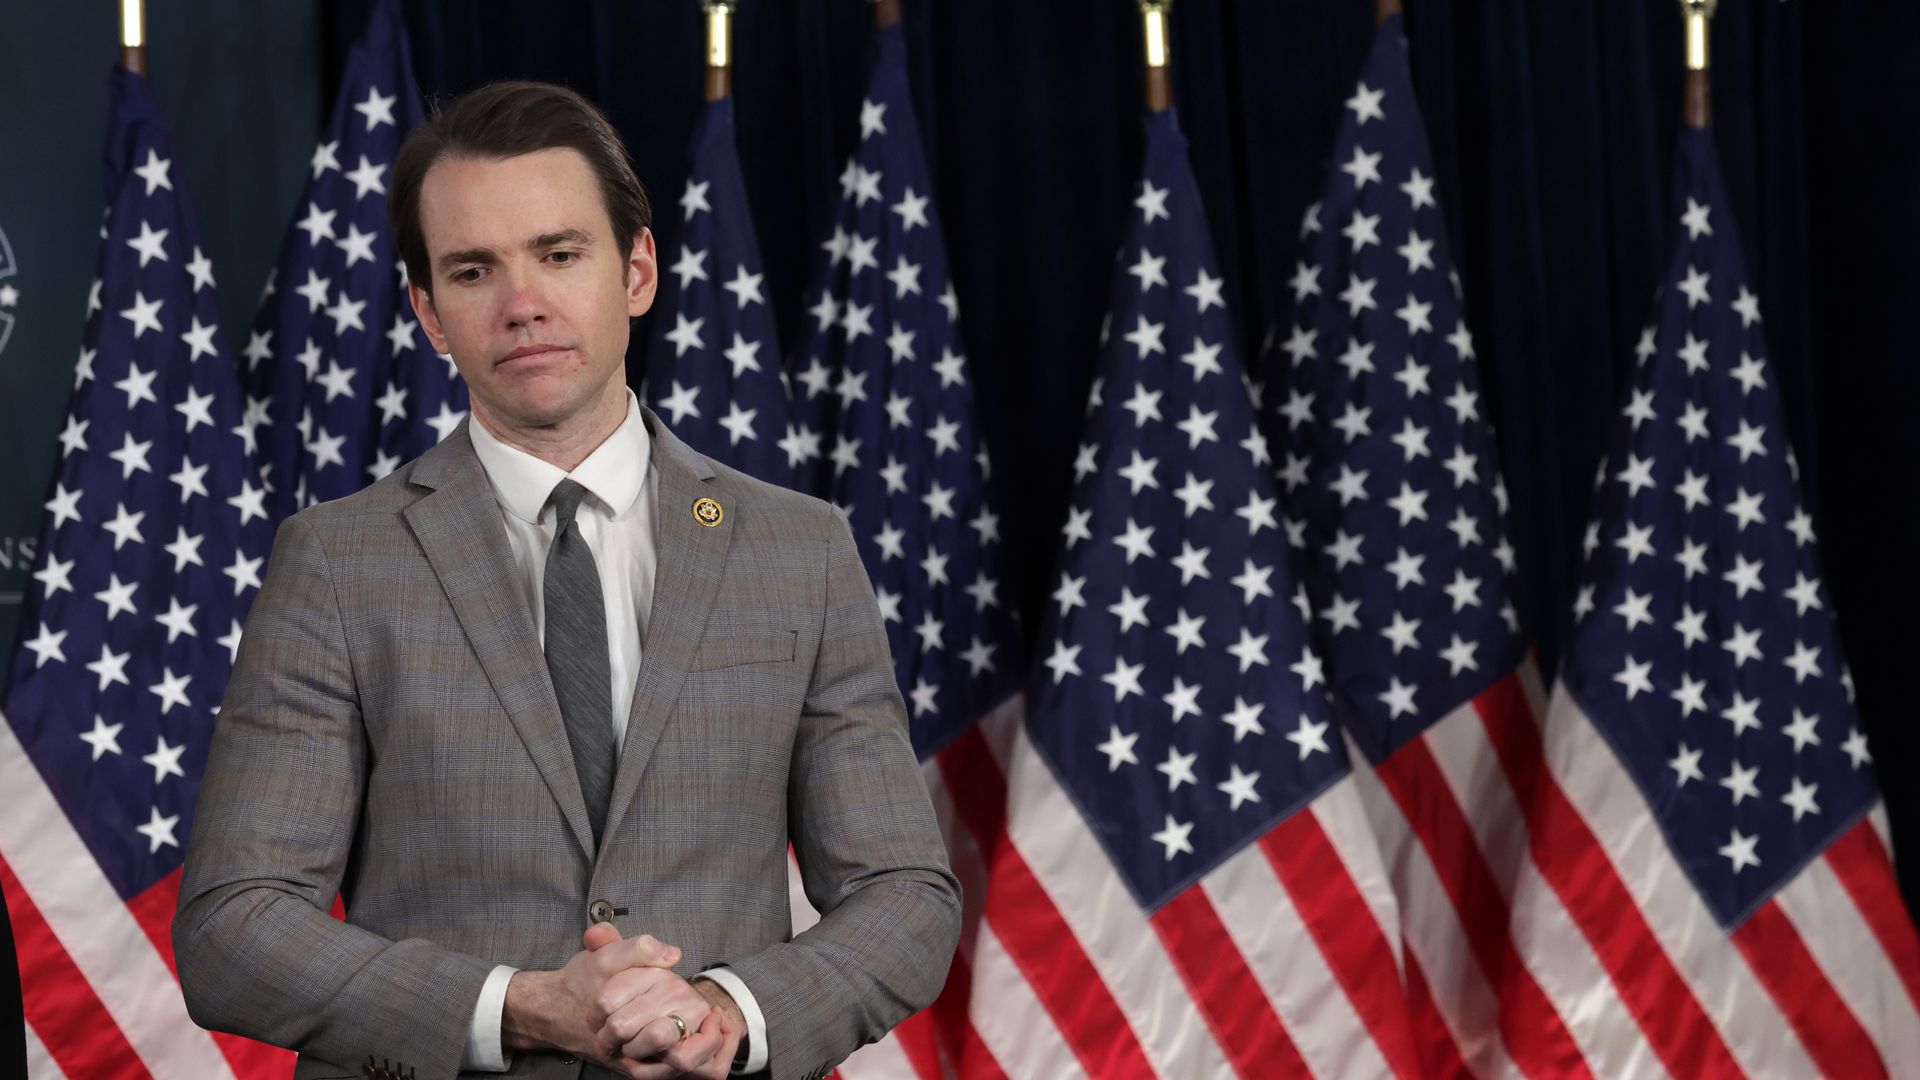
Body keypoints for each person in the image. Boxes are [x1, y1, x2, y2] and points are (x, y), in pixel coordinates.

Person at [174, 81, 960, 1080]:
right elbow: (231, 929)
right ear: (428, 313)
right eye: (472, 270)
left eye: (559, 253)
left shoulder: (798, 549)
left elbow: (906, 895)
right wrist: (520, 1009)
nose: (523, 304)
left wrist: (730, 1011)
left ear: (637, 271)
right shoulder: (337, 563)